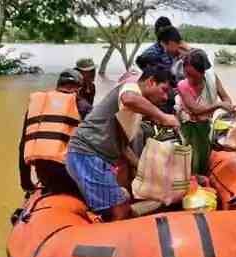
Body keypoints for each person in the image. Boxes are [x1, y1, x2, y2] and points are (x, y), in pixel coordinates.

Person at [66, 66, 179, 221]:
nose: (166, 97)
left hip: (95, 157)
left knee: (124, 204)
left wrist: (142, 168)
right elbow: (129, 98)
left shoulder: (133, 111)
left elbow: (122, 145)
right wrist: (163, 117)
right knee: (119, 210)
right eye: (164, 90)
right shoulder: (131, 88)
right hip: (87, 154)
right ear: (151, 82)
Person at [18, 69, 91, 195]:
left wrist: (26, 183)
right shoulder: (83, 106)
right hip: (70, 176)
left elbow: (23, 145)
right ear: (79, 88)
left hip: (43, 175)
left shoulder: (37, 106)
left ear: (58, 86)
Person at [177, 49, 233, 175]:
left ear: (203, 72)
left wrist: (230, 107)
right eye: (187, 74)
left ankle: (202, 182)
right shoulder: (182, 85)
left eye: (194, 75)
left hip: (205, 124)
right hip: (189, 126)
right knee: (192, 158)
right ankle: (192, 183)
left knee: (204, 156)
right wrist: (218, 104)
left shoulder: (211, 77)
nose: (190, 78)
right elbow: (195, 110)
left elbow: (225, 97)